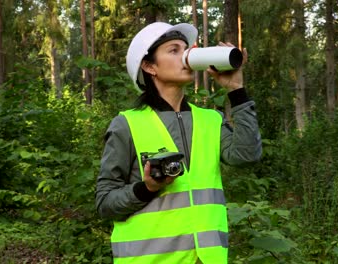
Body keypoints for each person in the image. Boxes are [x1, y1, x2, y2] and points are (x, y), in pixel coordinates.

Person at [95, 21, 262, 264]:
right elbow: (105, 203)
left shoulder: (210, 119)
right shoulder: (126, 125)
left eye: (187, 49)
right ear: (149, 66)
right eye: (174, 50)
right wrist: (147, 188)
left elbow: (247, 156)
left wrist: (236, 90)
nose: (186, 56)